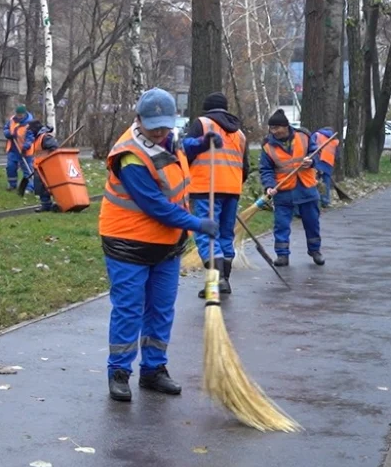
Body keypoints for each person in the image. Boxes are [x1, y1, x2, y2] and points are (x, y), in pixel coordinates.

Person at [101, 88, 219, 402]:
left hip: (166, 245)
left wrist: (203, 144)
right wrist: (197, 224)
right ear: (138, 120)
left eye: (165, 126)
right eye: (154, 126)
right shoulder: (130, 156)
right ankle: (119, 372)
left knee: (161, 310)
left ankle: (153, 369)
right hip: (129, 244)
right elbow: (155, 205)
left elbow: (180, 151)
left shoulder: (169, 137)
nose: (160, 132)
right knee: (129, 310)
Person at [184, 92, 246, 297]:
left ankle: (214, 283)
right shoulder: (240, 134)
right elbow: (245, 166)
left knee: (207, 234)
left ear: (206, 108)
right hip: (232, 188)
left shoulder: (202, 123)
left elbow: (186, 151)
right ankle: (225, 281)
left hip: (206, 187)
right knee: (226, 235)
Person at [260, 109, 323, 267]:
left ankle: (315, 250)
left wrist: (312, 161)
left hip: (306, 186)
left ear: (286, 126)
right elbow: (266, 169)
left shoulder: (304, 136)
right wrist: (269, 186)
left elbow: (316, 153)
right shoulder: (268, 146)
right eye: (271, 129)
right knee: (281, 224)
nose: (274, 132)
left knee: (312, 222)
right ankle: (282, 255)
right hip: (283, 190)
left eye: (277, 128)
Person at [28, 119, 61, 212]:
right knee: (41, 186)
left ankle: (52, 204)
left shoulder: (44, 137)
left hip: (46, 166)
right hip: (39, 166)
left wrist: (47, 160)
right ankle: (46, 204)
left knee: (46, 186)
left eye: (31, 130)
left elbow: (54, 148)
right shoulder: (38, 138)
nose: (30, 132)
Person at [3, 105, 36, 193]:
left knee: (27, 169)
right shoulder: (12, 120)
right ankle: (12, 184)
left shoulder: (29, 124)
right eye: (18, 115)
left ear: (24, 114)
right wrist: (7, 133)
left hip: (25, 151)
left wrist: (25, 147)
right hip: (13, 149)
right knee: (10, 167)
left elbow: (30, 137)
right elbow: (6, 128)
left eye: (20, 115)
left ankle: (30, 187)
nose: (19, 117)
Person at [312, 127, 338, 208]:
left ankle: (314, 201)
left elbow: (310, 147)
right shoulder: (335, 140)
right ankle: (325, 201)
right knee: (326, 182)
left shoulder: (317, 135)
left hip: (316, 161)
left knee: (313, 182)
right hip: (328, 164)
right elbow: (337, 154)